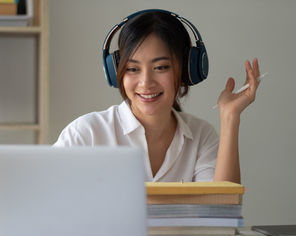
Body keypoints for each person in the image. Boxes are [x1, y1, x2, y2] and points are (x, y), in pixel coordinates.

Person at [54, 10, 260, 184]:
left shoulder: (201, 136)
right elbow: (45, 203)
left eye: (161, 67)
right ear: (117, 72)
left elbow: (222, 211)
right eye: (133, 68)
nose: (146, 82)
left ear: (187, 69)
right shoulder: (86, 134)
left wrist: (230, 117)